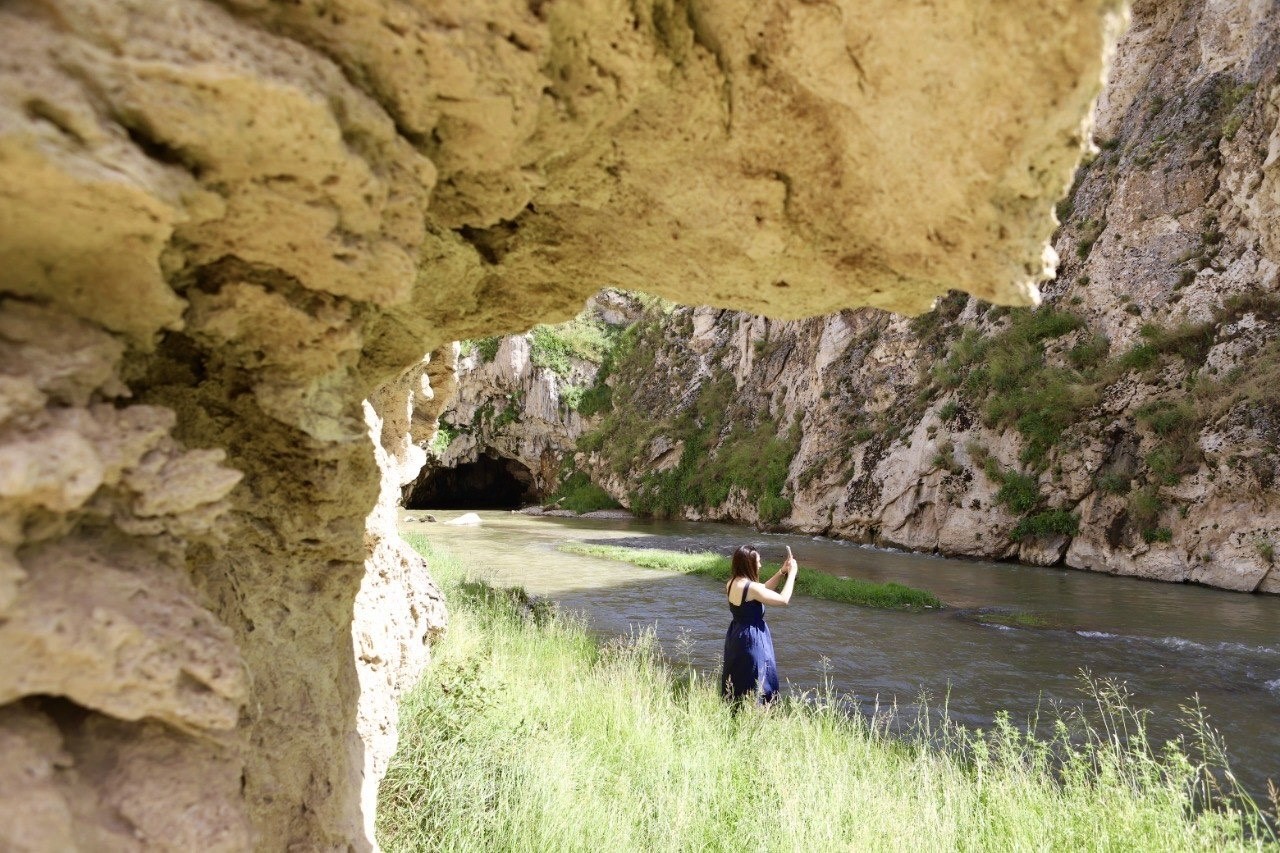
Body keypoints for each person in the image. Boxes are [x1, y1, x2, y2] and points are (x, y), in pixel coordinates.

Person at [720, 544, 798, 705]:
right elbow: (783, 599)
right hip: (752, 638)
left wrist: (782, 572)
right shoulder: (751, 588)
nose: (760, 565)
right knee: (759, 677)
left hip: (736, 636)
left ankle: (736, 709)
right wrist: (792, 574)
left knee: (739, 676)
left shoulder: (732, 583)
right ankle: (758, 713)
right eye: (758, 562)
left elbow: (762, 589)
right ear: (749, 564)